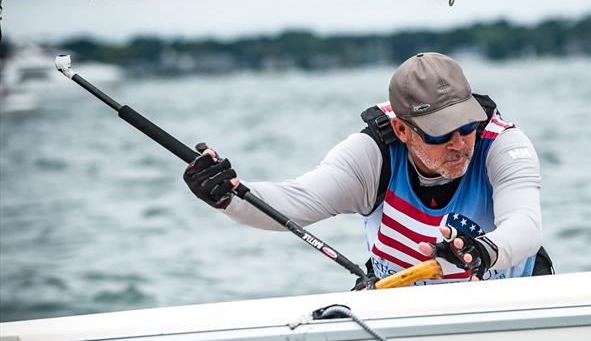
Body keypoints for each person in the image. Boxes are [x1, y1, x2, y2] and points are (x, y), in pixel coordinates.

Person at [184, 52, 552, 284]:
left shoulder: (503, 145)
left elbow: (525, 226)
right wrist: (227, 195)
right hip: (399, 306)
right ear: (402, 129)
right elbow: (294, 202)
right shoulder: (371, 156)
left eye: (467, 127)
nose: (459, 144)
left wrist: (481, 251)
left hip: (506, 298)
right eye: (441, 134)